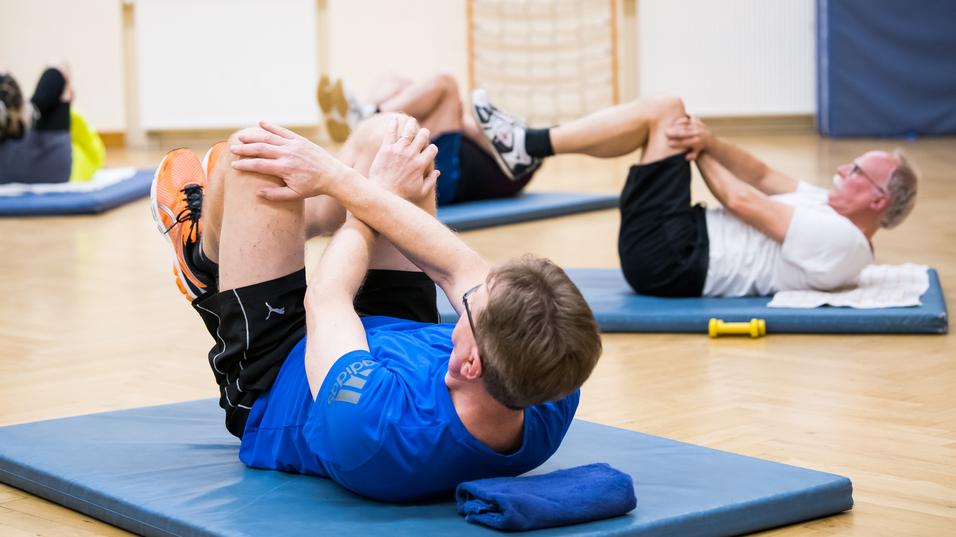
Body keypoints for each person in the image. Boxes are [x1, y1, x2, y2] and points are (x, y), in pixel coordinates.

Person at [149, 112, 602, 502]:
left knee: (254, 157)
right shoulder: (552, 386)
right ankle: (280, 232)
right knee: (400, 139)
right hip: (395, 338)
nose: (470, 287)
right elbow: (456, 267)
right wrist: (344, 182)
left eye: (471, 305)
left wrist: (362, 188)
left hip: (285, 373)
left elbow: (328, 296)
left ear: (469, 363)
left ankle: (204, 257)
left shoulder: (374, 425)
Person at [473, 93, 919, 297]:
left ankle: (526, 146)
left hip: (673, 261)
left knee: (666, 112)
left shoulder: (845, 244)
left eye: (857, 170)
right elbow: (761, 175)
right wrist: (708, 139)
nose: (844, 167)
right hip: (678, 242)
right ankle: (528, 147)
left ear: (879, 200)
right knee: (665, 114)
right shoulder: (828, 206)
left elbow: (744, 202)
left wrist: (696, 147)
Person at [318, 73, 541, 206]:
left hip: (442, 179)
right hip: (440, 161)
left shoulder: (522, 157)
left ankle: (367, 117)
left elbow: (479, 132)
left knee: (445, 84)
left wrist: (458, 115)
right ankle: (365, 114)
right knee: (396, 81)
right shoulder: (508, 143)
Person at [0, 62, 104, 184]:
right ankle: (33, 108)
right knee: (59, 65)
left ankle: (30, 109)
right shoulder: (87, 153)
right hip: (54, 165)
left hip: (6, 169)